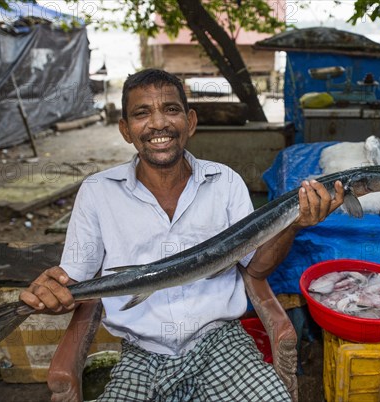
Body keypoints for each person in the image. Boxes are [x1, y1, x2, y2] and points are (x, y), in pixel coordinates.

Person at [20, 68, 344, 401]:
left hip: (223, 344)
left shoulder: (226, 181)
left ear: (190, 121)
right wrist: (53, 295)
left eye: (170, 110)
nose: (158, 123)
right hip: (140, 354)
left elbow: (257, 269)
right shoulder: (97, 192)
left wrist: (293, 224)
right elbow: (74, 280)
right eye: (142, 113)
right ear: (125, 129)